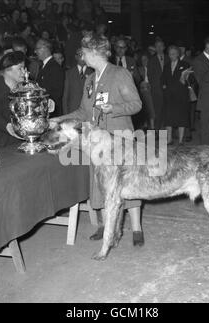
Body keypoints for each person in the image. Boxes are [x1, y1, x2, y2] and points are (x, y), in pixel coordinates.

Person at [51, 34, 144, 246]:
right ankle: (105, 226)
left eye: (83, 51)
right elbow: (83, 112)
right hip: (97, 142)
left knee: (127, 183)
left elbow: (137, 104)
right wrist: (60, 119)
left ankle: (137, 228)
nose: (81, 55)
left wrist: (115, 109)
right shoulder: (90, 79)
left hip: (121, 138)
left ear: (93, 52)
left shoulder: (120, 74)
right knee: (100, 183)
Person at [161, 46, 191, 145]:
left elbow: (190, 80)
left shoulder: (185, 64)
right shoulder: (166, 66)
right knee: (168, 117)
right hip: (169, 96)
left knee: (181, 117)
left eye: (173, 53)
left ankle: (181, 140)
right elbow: (162, 79)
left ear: (178, 54)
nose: (171, 56)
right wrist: (164, 86)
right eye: (170, 54)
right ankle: (169, 139)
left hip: (181, 95)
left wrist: (184, 80)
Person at [35, 39, 64, 117]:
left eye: (37, 49)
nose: (35, 51)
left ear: (44, 48)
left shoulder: (54, 67)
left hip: (51, 112)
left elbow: (56, 93)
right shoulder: (44, 66)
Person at [63, 48, 93, 115]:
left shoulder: (92, 73)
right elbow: (65, 96)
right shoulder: (69, 73)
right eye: (80, 55)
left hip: (87, 111)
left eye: (84, 55)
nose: (82, 57)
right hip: (73, 110)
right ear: (76, 57)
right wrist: (65, 114)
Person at [148, 39, 169, 130]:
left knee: (167, 110)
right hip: (156, 90)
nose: (159, 48)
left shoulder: (169, 58)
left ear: (164, 47)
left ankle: (166, 132)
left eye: (161, 46)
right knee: (157, 110)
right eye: (157, 46)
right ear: (155, 48)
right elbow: (150, 76)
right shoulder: (151, 60)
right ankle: (156, 130)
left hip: (168, 89)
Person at [138, 53, 155, 129]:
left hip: (151, 91)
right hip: (142, 92)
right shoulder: (139, 69)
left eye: (145, 59)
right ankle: (146, 124)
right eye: (142, 60)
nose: (144, 61)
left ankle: (151, 126)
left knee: (151, 107)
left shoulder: (153, 68)